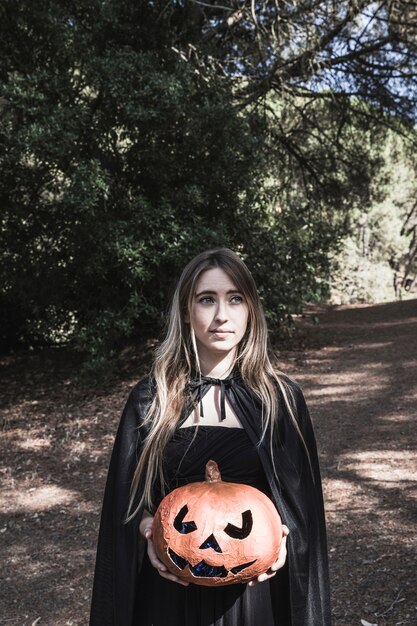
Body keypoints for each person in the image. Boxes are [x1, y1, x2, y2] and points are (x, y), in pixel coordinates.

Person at [90, 248, 331, 626]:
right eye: (207, 300)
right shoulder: (151, 399)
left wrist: (286, 540)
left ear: (250, 310)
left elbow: (302, 509)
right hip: (172, 591)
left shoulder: (281, 399)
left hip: (254, 596)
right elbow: (128, 502)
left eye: (235, 299)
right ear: (187, 311)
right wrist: (145, 527)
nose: (222, 314)